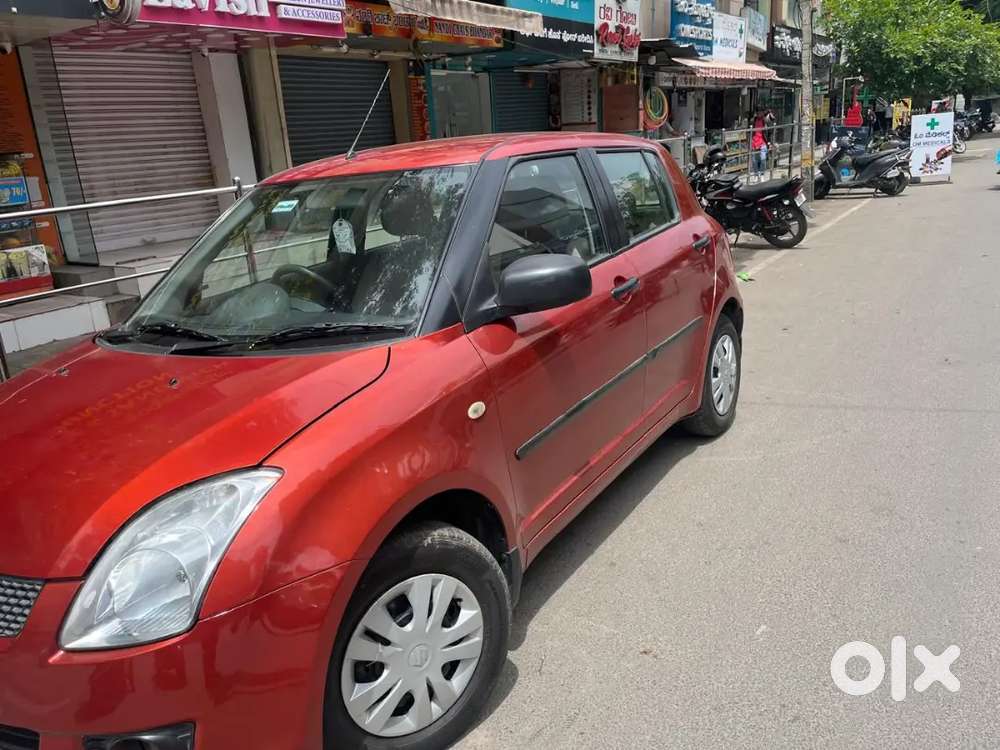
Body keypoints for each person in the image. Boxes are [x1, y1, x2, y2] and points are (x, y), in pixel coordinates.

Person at [750, 110, 770, 183]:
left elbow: (772, 120)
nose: (759, 114)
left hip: (762, 142)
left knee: (763, 159)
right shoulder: (754, 120)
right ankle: (756, 175)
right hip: (754, 142)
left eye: (761, 113)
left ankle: (761, 174)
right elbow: (750, 128)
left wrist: (769, 142)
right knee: (754, 160)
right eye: (758, 113)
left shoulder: (765, 120)